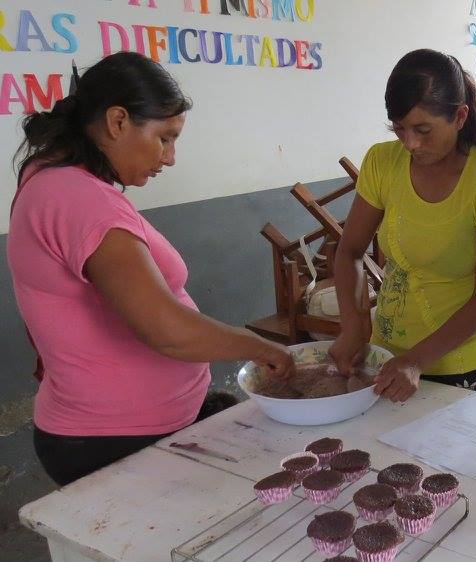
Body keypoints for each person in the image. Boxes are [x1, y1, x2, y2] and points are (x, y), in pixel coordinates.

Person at [7, 52, 294, 485]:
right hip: (113, 441)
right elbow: (166, 330)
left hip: (130, 428)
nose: (170, 157)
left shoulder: (53, 178)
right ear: (117, 122)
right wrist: (259, 346)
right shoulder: (76, 197)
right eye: (165, 137)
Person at [329, 49, 476, 402]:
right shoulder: (382, 162)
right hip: (386, 358)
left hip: (458, 366)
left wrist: (416, 362)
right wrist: (354, 328)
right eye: (399, 129)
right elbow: (350, 252)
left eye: (423, 130)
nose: (410, 143)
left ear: (460, 117)